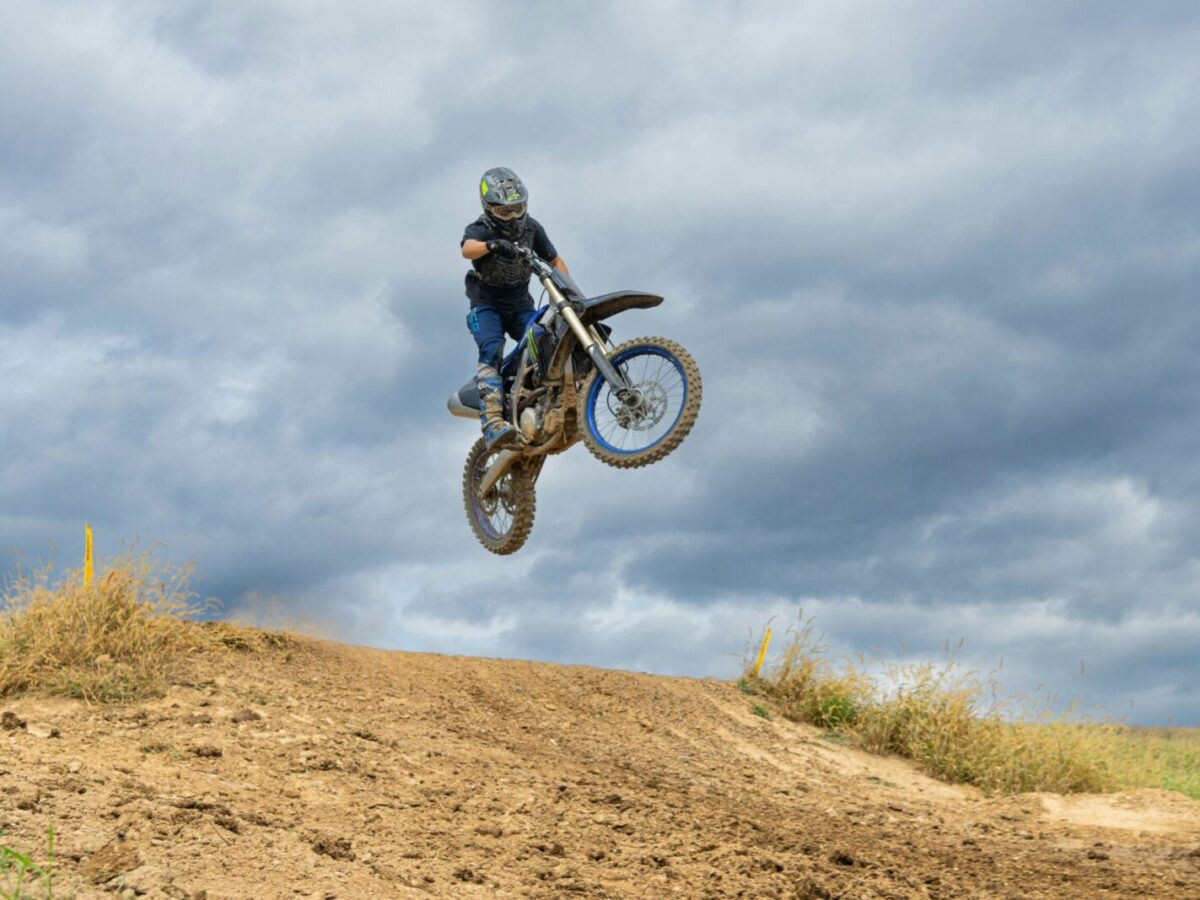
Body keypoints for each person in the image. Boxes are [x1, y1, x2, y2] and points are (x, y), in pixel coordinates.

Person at [460, 167, 570, 448]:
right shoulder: (480, 228)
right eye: (504, 211)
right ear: (489, 208)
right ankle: (493, 420)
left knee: (545, 337)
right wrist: (492, 245)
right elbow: (467, 249)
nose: (512, 216)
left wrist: (566, 287)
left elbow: (555, 260)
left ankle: (545, 396)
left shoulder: (532, 228)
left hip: (521, 303)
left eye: (517, 208)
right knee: (491, 346)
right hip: (487, 305)